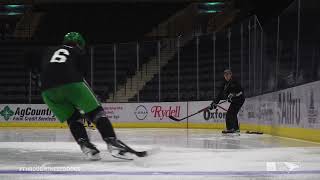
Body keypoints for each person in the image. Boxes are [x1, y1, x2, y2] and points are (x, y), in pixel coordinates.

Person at [40, 32, 146, 160]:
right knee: (96, 112)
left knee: (72, 118)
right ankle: (113, 143)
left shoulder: (50, 50)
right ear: (79, 44)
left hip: (46, 90)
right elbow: (82, 73)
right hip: (72, 83)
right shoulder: (78, 51)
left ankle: (86, 146)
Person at [210, 69, 245, 134]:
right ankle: (235, 128)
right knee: (232, 113)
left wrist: (233, 95)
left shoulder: (235, 82)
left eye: (228, 74)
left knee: (230, 114)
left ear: (231, 75)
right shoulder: (224, 83)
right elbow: (220, 94)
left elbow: (241, 92)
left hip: (239, 99)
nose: (226, 76)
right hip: (234, 100)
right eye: (225, 75)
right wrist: (214, 103)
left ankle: (231, 128)